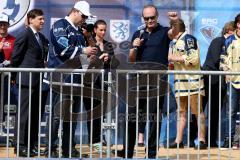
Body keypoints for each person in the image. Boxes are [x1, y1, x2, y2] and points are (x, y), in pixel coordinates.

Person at [116, 5, 179, 158]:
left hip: (157, 82)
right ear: (142, 19)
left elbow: (174, 33)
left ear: (157, 17)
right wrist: (134, 47)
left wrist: (175, 21)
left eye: (152, 17)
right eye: (146, 18)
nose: (150, 20)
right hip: (137, 81)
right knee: (131, 117)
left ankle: (150, 154)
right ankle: (128, 152)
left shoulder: (164, 31)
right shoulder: (138, 33)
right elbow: (131, 59)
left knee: (154, 118)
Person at [45, 1, 97, 158]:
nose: (85, 20)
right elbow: (63, 50)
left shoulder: (79, 32)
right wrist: (84, 50)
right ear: (75, 12)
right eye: (84, 16)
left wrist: (89, 59)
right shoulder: (60, 25)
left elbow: (81, 58)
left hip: (76, 80)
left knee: (71, 117)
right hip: (61, 80)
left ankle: (68, 149)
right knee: (57, 116)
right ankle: (50, 149)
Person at [11, 9, 49, 157]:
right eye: (40, 19)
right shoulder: (25, 34)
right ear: (31, 19)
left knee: (34, 115)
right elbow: (16, 56)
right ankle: (19, 146)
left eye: (43, 19)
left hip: (39, 81)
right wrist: (15, 75)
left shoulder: (41, 37)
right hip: (26, 80)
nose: (43, 21)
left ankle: (31, 145)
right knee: (24, 115)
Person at [168, 19, 207, 149]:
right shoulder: (173, 42)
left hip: (193, 82)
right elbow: (171, 60)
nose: (169, 30)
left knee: (197, 112)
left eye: (171, 28)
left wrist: (176, 58)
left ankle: (201, 140)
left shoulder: (189, 39)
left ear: (176, 28)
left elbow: (194, 59)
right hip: (179, 83)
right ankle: (178, 141)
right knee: (181, 112)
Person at [82, 19, 114, 153]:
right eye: (100, 29)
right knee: (92, 113)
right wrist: (100, 59)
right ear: (95, 30)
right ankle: (94, 141)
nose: (103, 32)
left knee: (100, 113)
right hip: (90, 83)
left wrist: (109, 59)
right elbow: (85, 61)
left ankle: (99, 139)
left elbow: (114, 62)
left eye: (104, 30)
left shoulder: (108, 45)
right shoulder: (88, 43)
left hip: (104, 83)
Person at [203, 21, 235, 147]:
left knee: (215, 112)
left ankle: (211, 140)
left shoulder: (230, 44)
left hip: (219, 82)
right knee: (203, 111)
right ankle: (199, 139)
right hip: (210, 80)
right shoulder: (219, 41)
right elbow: (217, 60)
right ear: (229, 31)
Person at [220, 13, 240, 149]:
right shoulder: (229, 40)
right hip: (233, 81)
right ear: (238, 24)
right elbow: (222, 60)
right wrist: (226, 71)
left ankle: (238, 141)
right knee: (230, 112)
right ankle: (229, 139)